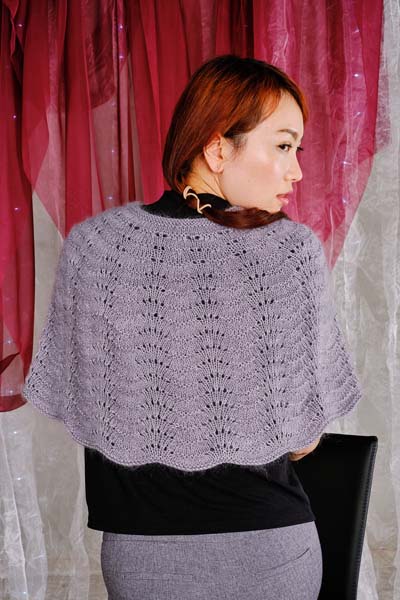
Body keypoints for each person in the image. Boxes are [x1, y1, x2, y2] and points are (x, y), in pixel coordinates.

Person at [23, 55, 362, 600]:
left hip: (141, 552)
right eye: (283, 145)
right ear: (217, 148)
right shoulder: (288, 253)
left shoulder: (95, 246)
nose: (296, 171)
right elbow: (303, 440)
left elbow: (90, 414)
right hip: (270, 550)